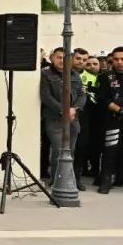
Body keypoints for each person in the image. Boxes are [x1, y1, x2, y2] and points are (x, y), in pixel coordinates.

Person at [40, 47, 85, 190]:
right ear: (52, 58)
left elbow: (82, 95)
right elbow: (45, 96)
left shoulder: (75, 75)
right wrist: (63, 110)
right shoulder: (45, 74)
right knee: (58, 150)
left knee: (70, 150)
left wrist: (74, 109)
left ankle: (67, 180)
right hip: (54, 118)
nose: (62, 60)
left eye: (65, 58)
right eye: (59, 57)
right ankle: (56, 181)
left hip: (72, 118)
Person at [96, 47, 123, 195]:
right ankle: (105, 180)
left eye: (122, 59)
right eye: (116, 59)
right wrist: (118, 110)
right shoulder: (105, 76)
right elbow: (102, 98)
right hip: (113, 118)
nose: (119, 62)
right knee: (110, 150)